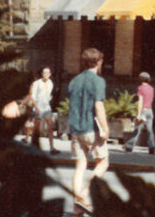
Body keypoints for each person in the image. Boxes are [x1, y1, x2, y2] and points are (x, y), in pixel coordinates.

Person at [67, 48, 109, 216]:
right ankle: (83, 196)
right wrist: (105, 129)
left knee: (80, 166)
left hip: (75, 128)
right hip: (91, 129)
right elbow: (98, 106)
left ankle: (76, 207)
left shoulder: (74, 81)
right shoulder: (98, 81)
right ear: (98, 62)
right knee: (103, 162)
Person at [123, 72, 155, 154]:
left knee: (137, 129)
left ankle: (129, 146)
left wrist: (138, 114)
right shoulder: (151, 88)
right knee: (150, 130)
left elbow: (140, 101)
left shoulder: (140, 88)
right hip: (150, 110)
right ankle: (152, 147)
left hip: (143, 111)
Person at [28, 66, 57, 154]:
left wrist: (49, 99)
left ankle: (52, 148)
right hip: (38, 108)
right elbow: (33, 96)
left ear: (50, 74)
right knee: (37, 129)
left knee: (51, 126)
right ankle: (34, 147)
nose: (46, 74)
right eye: (44, 73)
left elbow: (48, 95)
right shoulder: (37, 83)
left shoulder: (51, 83)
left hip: (46, 108)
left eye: (47, 73)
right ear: (42, 74)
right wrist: (36, 108)